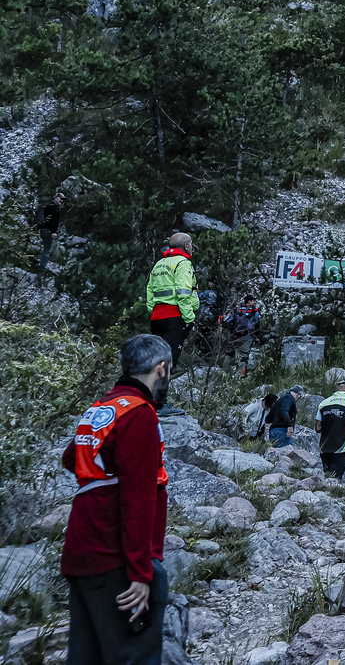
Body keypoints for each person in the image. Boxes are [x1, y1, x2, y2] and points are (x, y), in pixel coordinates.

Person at [61, 334, 174, 665]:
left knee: (86, 656)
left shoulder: (101, 408)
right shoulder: (139, 414)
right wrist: (141, 572)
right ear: (161, 368)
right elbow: (137, 498)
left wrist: (101, 480)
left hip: (82, 550)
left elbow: (71, 457)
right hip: (116, 558)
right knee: (134, 655)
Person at [144, 233, 197, 369]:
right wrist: (189, 318)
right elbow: (183, 293)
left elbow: (150, 292)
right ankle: (160, 383)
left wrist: (154, 311)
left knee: (156, 360)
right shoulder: (183, 263)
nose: (192, 247)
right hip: (174, 318)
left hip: (157, 319)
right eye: (191, 244)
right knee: (167, 364)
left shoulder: (159, 264)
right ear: (186, 245)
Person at [317, 375, 345, 480]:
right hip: (340, 447)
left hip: (324, 447)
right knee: (336, 479)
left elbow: (318, 428)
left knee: (327, 477)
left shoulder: (324, 402)